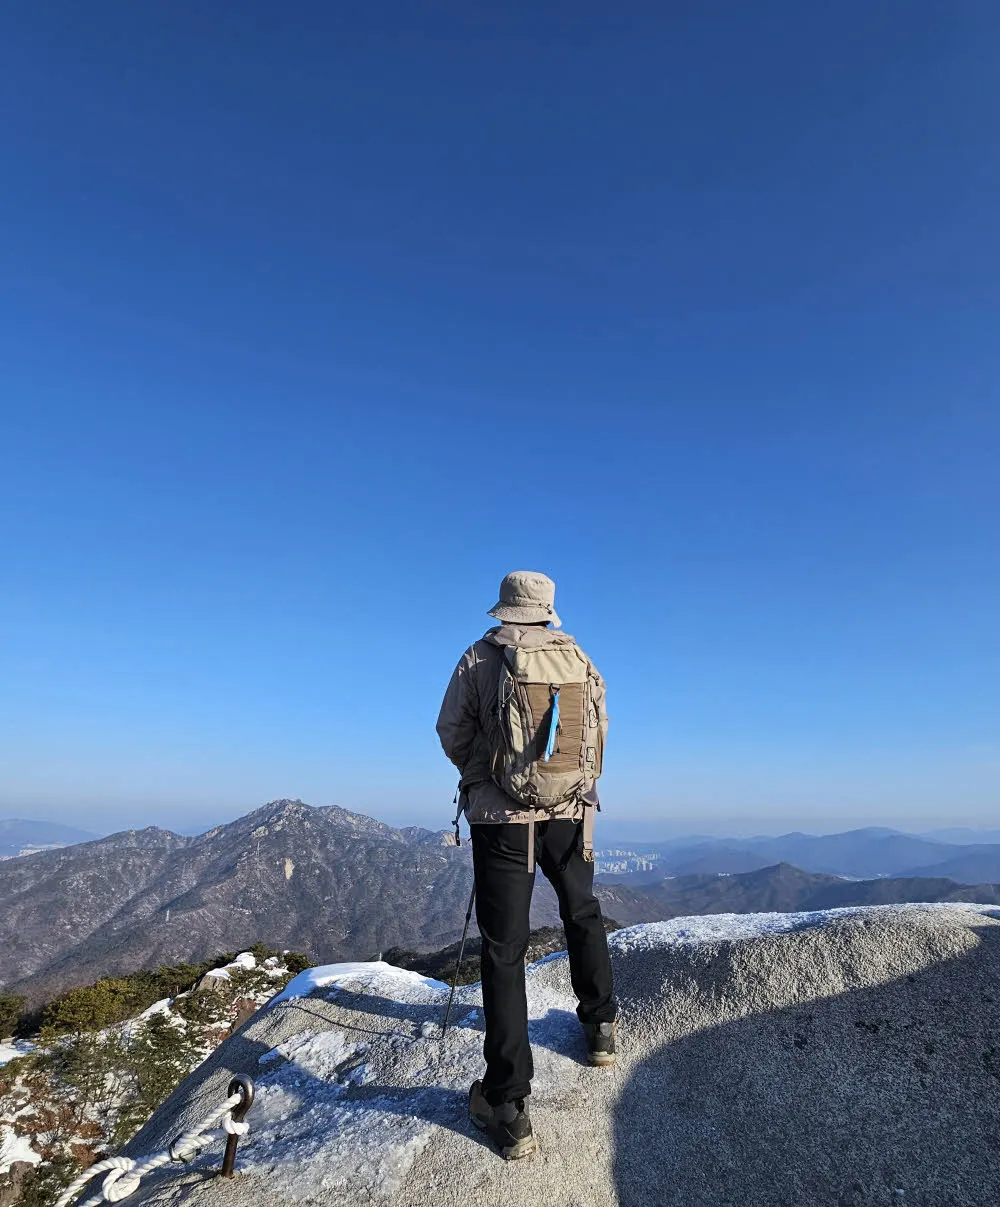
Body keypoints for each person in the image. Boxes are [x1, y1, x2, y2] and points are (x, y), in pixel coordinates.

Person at [436, 570, 618, 1160]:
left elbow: (451, 731)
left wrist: (486, 775)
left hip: (501, 818)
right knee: (581, 910)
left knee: (505, 947)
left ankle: (508, 1103)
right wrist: (569, 784)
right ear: (547, 610)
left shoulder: (479, 657)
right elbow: (599, 731)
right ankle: (600, 1028)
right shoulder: (578, 657)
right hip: (569, 809)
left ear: (505, 609)